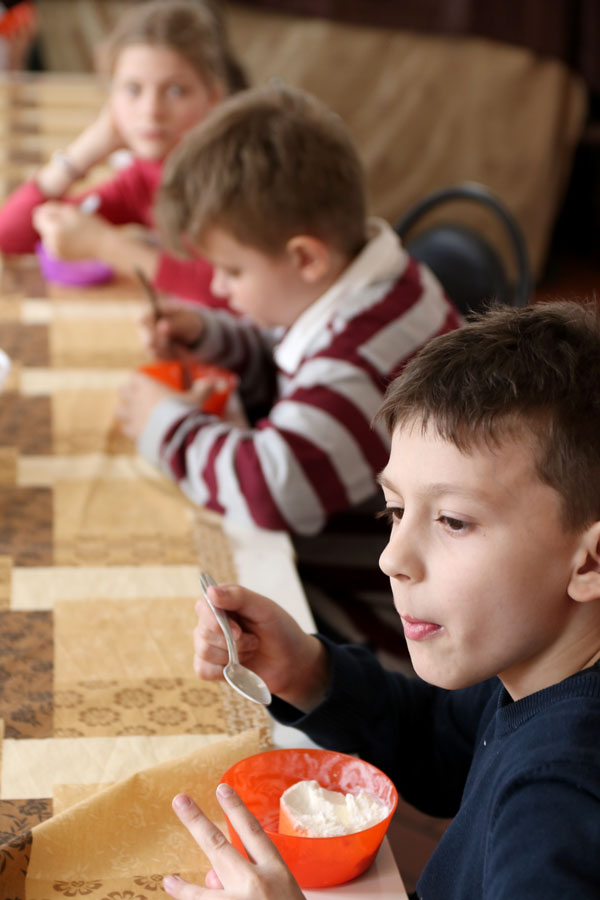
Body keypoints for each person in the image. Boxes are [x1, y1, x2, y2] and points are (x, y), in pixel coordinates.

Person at [163, 300, 600, 900]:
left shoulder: (561, 797)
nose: (392, 558)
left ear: (590, 562)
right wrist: (309, 672)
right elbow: (441, 744)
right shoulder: (536, 668)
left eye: (453, 520)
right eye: (395, 510)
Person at [117, 84, 460, 637]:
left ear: (305, 258)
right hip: (340, 563)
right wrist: (210, 336)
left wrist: (165, 424)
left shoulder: (357, 363)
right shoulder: (377, 281)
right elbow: (291, 357)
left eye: (232, 270)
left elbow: (269, 488)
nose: (218, 288)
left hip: (379, 616)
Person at [0, 0, 246, 308]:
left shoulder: (232, 174)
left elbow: (227, 290)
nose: (151, 110)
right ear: (111, 98)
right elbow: (9, 234)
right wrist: (85, 151)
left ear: (213, 96)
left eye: (176, 91)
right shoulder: (145, 175)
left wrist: (104, 245)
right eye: (132, 89)